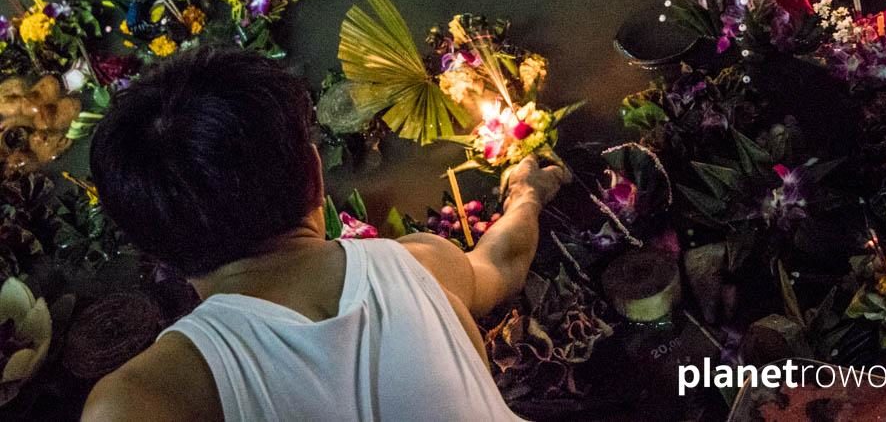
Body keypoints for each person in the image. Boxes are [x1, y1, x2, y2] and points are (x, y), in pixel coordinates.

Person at [82, 46, 569, 421]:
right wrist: (527, 194)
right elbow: (501, 264)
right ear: (316, 177)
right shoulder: (417, 265)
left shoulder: (139, 401)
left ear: (152, 250)